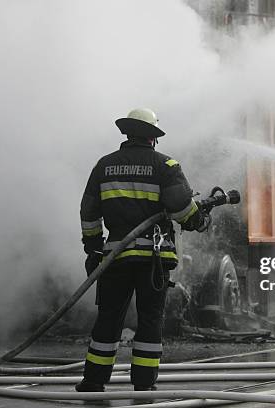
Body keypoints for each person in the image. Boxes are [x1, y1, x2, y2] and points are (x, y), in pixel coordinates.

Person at [76, 108, 208, 392]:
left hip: (115, 257)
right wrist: (200, 219)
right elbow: (183, 209)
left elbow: (88, 212)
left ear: (128, 133)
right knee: (150, 320)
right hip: (153, 259)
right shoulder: (166, 165)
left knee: (109, 317)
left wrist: (93, 248)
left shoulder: (104, 165)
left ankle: (93, 380)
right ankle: (144, 384)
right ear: (153, 137)